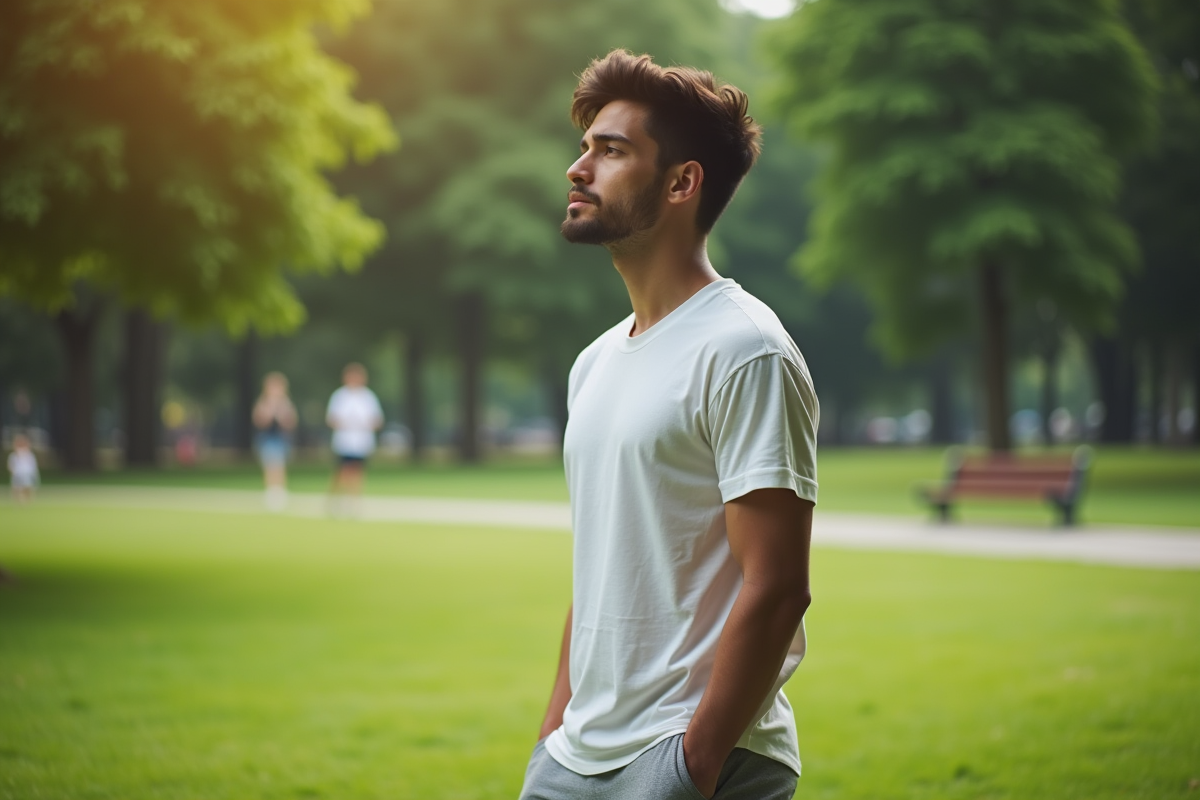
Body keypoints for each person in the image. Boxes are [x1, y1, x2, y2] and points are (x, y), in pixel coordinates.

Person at [519, 51, 819, 800]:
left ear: (683, 182)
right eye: (586, 145)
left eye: (611, 150)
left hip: (690, 761)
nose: (577, 168)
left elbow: (778, 585)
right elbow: (599, 568)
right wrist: (552, 736)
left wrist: (693, 763)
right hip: (575, 757)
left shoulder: (745, 350)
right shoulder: (593, 363)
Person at [325, 362, 383, 515]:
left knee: (357, 470)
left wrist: (363, 423)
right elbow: (332, 418)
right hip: (345, 440)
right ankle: (336, 498)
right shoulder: (340, 396)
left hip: (361, 440)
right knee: (343, 470)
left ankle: (354, 501)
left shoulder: (368, 396)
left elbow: (377, 420)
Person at [252, 372, 298, 511]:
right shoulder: (263, 402)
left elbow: (291, 422)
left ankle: (280, 490)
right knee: (270, 463)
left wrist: (282, 414)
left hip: (281, 437)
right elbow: (258, 421)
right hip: (268, 437)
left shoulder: (286, 403)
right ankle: (271, 491)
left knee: (280, 464)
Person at [7, 433, 39, 504]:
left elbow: (32, 465)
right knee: (16, 488)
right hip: (17, 473)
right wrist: (14, 472)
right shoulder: (14, 455)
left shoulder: (29, 455)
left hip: (26, 472)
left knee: (27, 487)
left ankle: (27, 501)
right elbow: (11, 465)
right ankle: (17, 502)